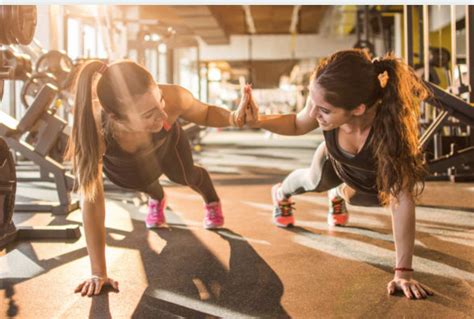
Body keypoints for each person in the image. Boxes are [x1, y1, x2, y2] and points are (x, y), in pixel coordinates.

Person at [244, 49, 434, 300]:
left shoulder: (390, 134)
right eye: (314, 103)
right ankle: (281, 192)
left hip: (368, 178)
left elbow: (402, 199)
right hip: (333, 162)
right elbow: (296, 123)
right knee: (313, 181)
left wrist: (403, 272)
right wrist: (258, 121)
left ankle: (339, 193)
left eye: (323, 109)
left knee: (365, 199)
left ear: (358, 109)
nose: (314, 114)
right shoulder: (325, 102)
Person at [67, 60, 250, 296]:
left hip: (167, 144)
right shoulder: (93, 125)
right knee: (138, 182)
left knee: (184, 175)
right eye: (148, 114)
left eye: (160, 101)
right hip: (126, 164)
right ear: (116, 118)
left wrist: (236, 117)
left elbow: (204, 112)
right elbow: (91, 199)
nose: (163, 114)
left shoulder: (173, 97)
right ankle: (157, 198)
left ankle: (210, 198)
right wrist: (98, 272)